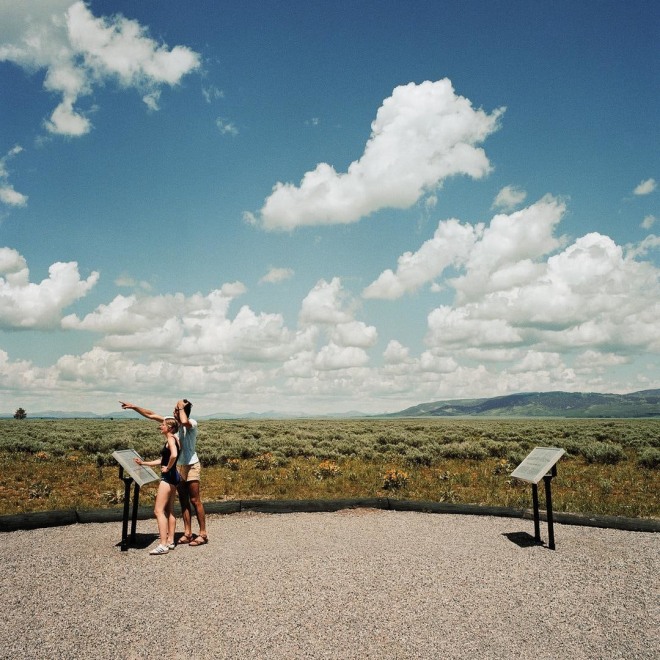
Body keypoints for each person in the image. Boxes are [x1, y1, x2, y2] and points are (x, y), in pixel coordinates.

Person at [120, 398, 208, 546]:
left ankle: (203, 534)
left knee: (195, 500)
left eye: (176, 410)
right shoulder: (173, 423)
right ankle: (187, 533)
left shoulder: (191, 423)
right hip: (179, 466)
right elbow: (151, 415)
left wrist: (181, 407)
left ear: (182, 411)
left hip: (192, 465)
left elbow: (185, 421)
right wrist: (135, 407)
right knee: (183, 500)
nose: (173, 412)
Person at [134, 417, 181, 555]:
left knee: (158, 511)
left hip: (168, 476)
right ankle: (171, 540)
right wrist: (144, 463)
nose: (161, 426)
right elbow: (164, 459)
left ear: (170, 428)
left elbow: (173, 455)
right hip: (174, 476)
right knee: (170, 510)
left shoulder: (171, 439)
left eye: (163, 425)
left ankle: (163, 544)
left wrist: (167, 468)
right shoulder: (175, 439)